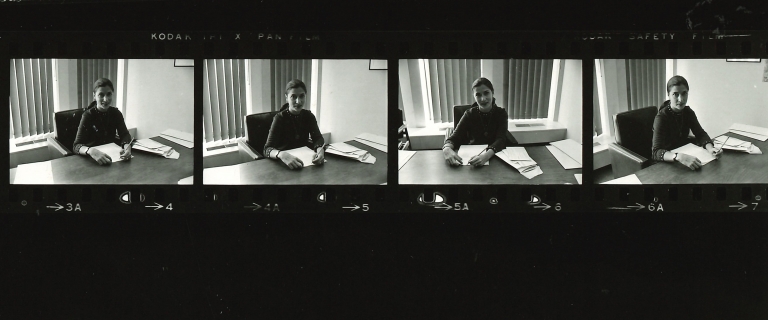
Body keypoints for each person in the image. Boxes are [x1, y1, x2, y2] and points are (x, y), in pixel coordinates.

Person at [651, 75, 722, 171]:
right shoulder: (661, 117)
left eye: (684, 93)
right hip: (667, 163)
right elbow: (656, 152)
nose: (681, 99)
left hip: (685, 158)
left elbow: (700, 133)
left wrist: (710, 148)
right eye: (675, 94)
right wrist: (678, 157)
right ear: (668, 95)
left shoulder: (688, 112)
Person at [443, 77, 510, 167]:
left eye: (486, 93)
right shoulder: (469, 114)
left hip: (495, 157)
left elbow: (501, 140)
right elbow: (455, 137)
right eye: (478, 95)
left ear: (492, 93)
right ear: (474, 97)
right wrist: (446, 149)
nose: (483, 99)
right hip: (472, 160)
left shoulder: (501, 113)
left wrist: (485, 156)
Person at [264, 79, 325, 169]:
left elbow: (318, 138)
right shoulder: (279, 118)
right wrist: (282, 154)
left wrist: (320, 150)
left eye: (301, 96)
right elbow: (267, 149)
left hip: (305, 163)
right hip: (283, 164)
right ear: (286, 97)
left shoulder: (309, 116)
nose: (298, 101)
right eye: (293, 96)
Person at [73, 78, 133, 165]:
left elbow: (125, 134)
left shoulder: (116, 113)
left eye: (109, 94)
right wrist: (91, 151)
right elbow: (76, 146)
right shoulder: (87, 116)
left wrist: (127, 146)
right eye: (101, 95)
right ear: (94, 96)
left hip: (112, 159)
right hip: (92, 160)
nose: (106, 99)